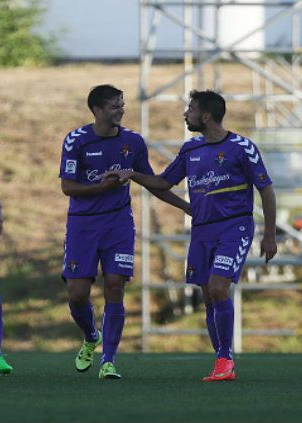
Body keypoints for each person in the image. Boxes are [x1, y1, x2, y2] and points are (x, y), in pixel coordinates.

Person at [104, 90, 277, 382]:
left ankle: (225, 359)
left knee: (219, 287)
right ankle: (221, 359)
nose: (186, 114)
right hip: (202, 231)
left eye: (191, 109)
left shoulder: (241, 147)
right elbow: (163, 181)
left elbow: (266, 190)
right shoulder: (190, 149)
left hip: (234, 228)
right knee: (208, 295)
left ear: (206, 116)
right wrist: (131, 174)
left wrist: (269, 234)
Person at [59, 84, 190, 379]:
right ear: (97, 110)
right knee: (77, 294)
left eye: (122, 105)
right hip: (82, 223)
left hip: (118, 222)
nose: (121, 110)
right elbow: (67, 186)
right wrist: (100, 187)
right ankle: (91, 336)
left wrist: (186, 207)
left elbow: (151, 181)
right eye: (114, 106)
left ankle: (108, 360)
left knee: (115, 284)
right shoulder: (76, 141)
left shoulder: (133, 141)